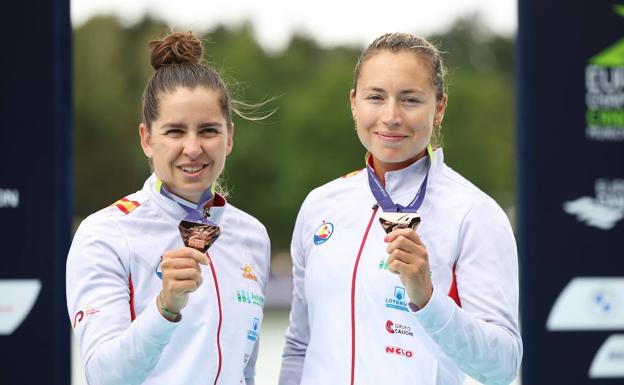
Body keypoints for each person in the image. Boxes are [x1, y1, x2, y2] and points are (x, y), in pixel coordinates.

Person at [279, 33, 522, 385]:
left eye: (410, 100)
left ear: (439, 108)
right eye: (375, 97)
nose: (391, 116)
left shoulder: (474, 214)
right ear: (353, 103)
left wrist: (427, 297)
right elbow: (300, 346)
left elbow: (501, 367)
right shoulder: (320, 204)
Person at [66, 31, 270, 385]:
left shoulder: (251, 234)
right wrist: (165, 307)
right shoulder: (106, 234)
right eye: (175, 131)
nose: (192, 148)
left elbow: (245, 371)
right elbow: (102, 376)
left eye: (208, 130)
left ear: (230, 137)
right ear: (147, 138)